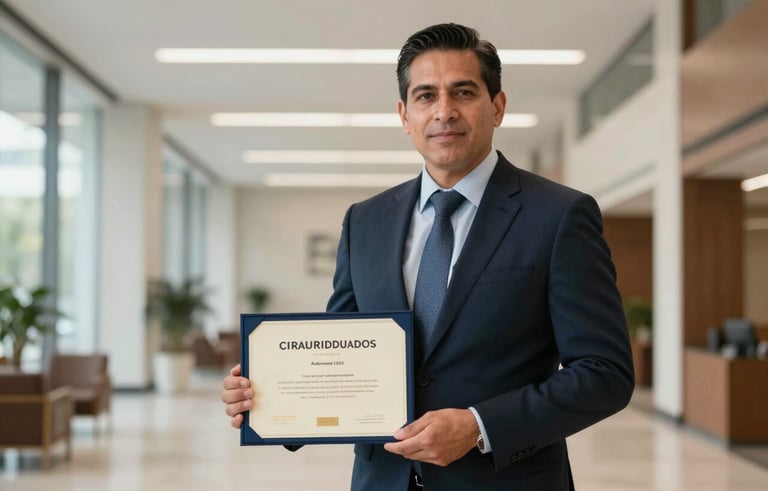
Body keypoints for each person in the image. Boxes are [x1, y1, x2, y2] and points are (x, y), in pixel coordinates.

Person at [222, 23, 634, 490]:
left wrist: (480, 427)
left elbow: (605, 374)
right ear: (403, 114)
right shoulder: (365, 221)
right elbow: (340, 345)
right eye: (425, 96)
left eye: (463, 92)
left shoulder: (559, 216)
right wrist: (268, 397)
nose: (444, 111)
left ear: (497, 106)